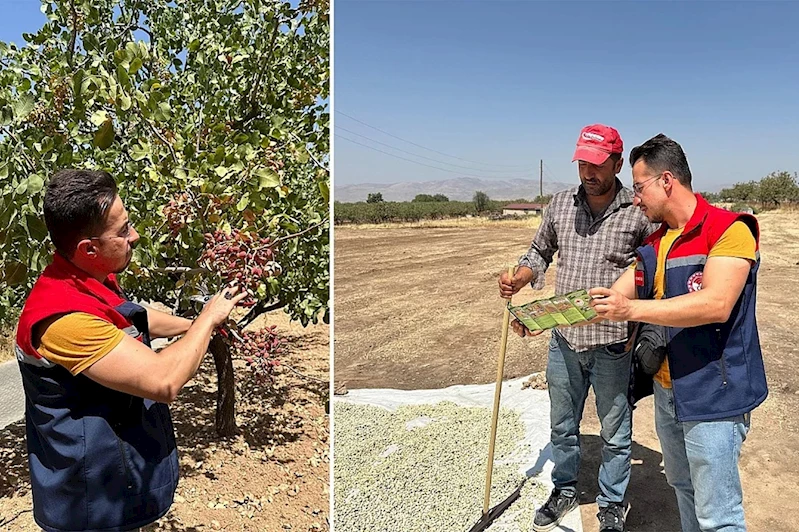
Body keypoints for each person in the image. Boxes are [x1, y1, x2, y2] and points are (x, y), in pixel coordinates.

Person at [14, 169, 248, 532]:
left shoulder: (85, 279)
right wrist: (207, 318)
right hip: (90, 501)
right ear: (89, 249)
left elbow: (133, 315)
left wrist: (192, 325)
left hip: (111, 483)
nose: (134, 235)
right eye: (123, 231)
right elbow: (164, 381)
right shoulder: (65, 321)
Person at [589, 134, 767, 532]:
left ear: (666, 180)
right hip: (669, 394)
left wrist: (630, 310)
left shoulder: (728, 229)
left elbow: (716, 303)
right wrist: (544, 318)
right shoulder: (656, 243)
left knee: (718, 517)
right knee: (683, 488)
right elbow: (612, 297)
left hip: (713, 395)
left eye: (639, 188)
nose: (635, 199)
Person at [499, 125, 654, 532]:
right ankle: (565, 489)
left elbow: (653, 269)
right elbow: (539, 251)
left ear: (617, 164)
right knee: (562, 425)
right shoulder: (560, 204)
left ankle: (611, 503)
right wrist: (520, 277)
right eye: (583, 162)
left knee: (615, 432)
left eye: (598, 164)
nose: (588, 172)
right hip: (564, 341)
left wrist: (639, 327)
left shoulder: (638, 210)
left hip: (613, 344)